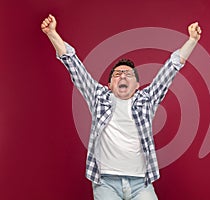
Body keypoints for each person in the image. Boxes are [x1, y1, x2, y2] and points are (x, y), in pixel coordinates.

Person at [41, 14, 201, 200]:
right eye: (117, 74)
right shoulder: (99, 97)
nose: (123, 76)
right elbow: (73, 65)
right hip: (106, 182)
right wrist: (52, 33)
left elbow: (171, 68)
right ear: (109, 85)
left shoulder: (147, 100)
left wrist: (192, 40)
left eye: (128, 74)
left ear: (137, 85)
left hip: (141, 183)